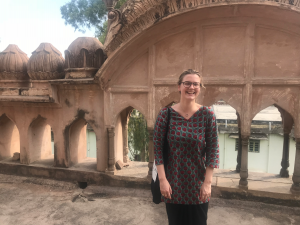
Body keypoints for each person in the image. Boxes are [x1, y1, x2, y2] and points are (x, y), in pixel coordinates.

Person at [153, 69, 219, 225]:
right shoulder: (166, 114)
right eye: (187, 83)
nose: (191, 87)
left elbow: (213, 150)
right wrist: (163, 180)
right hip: (172, 183)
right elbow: (157, 149)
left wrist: (207, 184)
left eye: (196, 84)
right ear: (179, 87)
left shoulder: (207, 114)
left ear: (200, 88)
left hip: (198, 185)